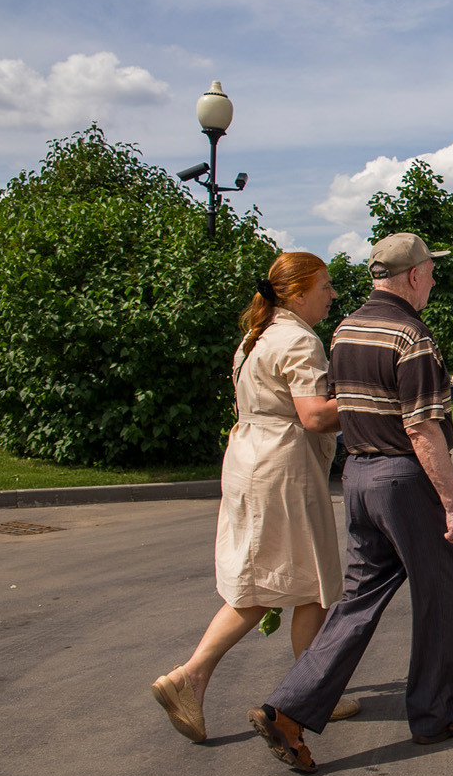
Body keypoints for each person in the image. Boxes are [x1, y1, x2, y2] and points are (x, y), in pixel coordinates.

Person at [249, 233, 453, 773]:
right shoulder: (412, 336)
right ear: (414, 275)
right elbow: (423, 428)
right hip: (405, 480)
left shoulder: (346, 328)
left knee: (357, 602)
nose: (433, 280)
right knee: (439, 596)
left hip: (358, 478)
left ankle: (288, 709)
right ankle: (438, 714)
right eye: (431, 271)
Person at [152, 253, 356, 743]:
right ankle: (192, 675)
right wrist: (366, 398)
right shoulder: (300, 340)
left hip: (250, 459)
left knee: (298, 583)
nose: (332, 295)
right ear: (299, 292)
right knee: (281, 582)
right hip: (285, 468)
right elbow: (313, 416)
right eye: (325, 286)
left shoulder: (255, 336)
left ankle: (307, 691)